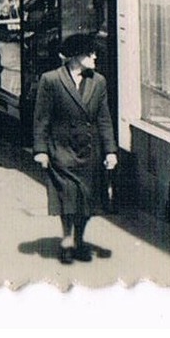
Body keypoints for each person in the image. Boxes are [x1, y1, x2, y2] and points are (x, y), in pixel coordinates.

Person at [33, 32, 119, 265]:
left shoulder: (98, 81)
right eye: (89, 53)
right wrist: (40, 149)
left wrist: (110, 151)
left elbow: (104, 118)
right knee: (67, 195)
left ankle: (80, 238)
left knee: (88, 199)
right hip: (62, 148)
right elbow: (42, 118)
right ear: (75, 56)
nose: (94, 57)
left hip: (90, 150)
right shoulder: (51, 80)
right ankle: (67, 238)